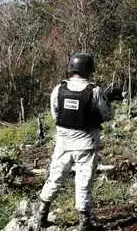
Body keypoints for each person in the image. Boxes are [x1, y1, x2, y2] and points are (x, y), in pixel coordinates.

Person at [36, 52, 120, 230]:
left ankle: (41, 216)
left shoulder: (59, 88)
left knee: (55, 178)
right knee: (83, 183)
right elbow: (107, 115)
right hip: (86, 144)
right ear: (89, 69)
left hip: (63, 143)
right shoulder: (95, 91)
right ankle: (84, 223)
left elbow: (55, 114)